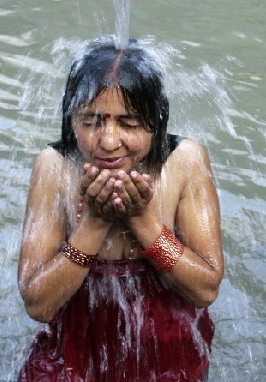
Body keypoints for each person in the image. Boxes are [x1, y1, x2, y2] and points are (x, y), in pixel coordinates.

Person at [18, 37, 224, 382]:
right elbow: (38, 305)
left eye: (129, 124)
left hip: (167, 345)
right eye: (91, 121)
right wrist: (94, 224)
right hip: (75, 346)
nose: (109, 141)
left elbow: (205, 290)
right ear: (71, 119)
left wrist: (142, 220)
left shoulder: (184, 161)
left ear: (156, 121)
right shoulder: (55, 166)